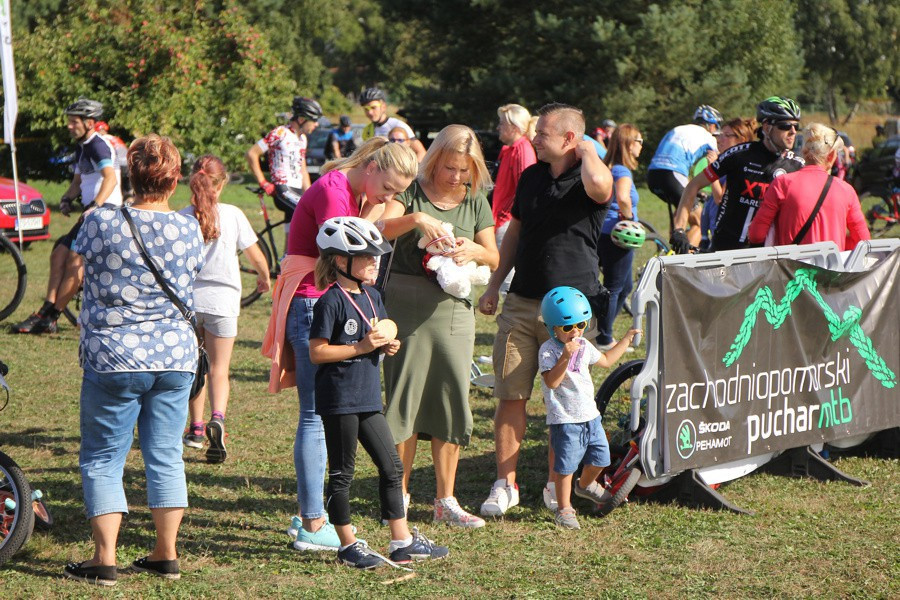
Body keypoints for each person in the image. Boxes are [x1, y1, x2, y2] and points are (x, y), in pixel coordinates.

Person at [262, 138, 419, 552]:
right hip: (313, 299)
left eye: (397, 193)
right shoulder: (335, 192)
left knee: (321, 411)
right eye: (387, 188)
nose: (389, 198)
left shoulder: (352, 189)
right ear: (371, 168)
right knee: (316, 412)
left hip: (321, 297)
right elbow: (345, 250)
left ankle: (315, 516)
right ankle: (314, 522)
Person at [63, 134, 204, 586]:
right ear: (175, 179)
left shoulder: (99, 221)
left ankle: (104, 559)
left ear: (130, 176)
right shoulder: (190, 228)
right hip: (175, 356)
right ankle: (166, 553)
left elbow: (76, 267)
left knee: (104, 457)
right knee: (166, 455)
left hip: (114, 355)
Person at [477, 103, 613, 517]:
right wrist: (495, 284)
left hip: (570, 314)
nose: (533, 139)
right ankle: (506, 484)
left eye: (542, 134)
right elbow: (516, 231)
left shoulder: (589, 176)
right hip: (522, 301)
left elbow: (602, 186)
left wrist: (587, 149)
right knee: (510, 394)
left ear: (569, 139)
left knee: (565, 404)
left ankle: (558, 484)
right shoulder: (532, 176)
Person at [309, 216, 449, 569]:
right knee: (343, 473)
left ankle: (401, 542)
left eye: (376, 256)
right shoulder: (331, 301)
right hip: (339, 400)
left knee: (392, 467)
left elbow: (376, 334)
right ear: (340, 261)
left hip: (368, 397)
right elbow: (318, 352)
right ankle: (347, 545)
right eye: (367, 257)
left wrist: (387, 345)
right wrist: (360, 347)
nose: (375, 262)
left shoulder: (372, 296)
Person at [379, 124, 499, 528]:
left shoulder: (475, 198)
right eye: (450, 168)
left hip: (454, 311)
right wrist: (416, 218)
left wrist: (474, 249)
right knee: (405, 400)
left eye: (465, 170)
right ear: (434, 160)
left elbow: (495, 258)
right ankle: (398, 496)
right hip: (405, 306)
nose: (456, 177)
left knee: (451, 399)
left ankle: (446, 500)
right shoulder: (411, 190)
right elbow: (379, 230)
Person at [179, 155, 271, 463]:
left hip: (190, 303)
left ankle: (195, 429)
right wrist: (264, 276)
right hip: (223, 303)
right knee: (219, 369)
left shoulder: (181, 218)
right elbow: (255, 254)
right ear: (221, 185)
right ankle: (217, 418)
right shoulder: (233, 215)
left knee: (196, 366)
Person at [11, 98, 122, 335]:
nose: (69, 126)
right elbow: (78, 181)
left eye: (74, 122)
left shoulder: (98, 146)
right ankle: (46, 311)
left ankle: (51, 316)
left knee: (74, 260)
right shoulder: (82, 147)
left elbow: (110, 179)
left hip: (105, 211)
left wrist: (95, 205)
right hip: (93, 211)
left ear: (89, 123)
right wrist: (66, 198)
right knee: (59, 253)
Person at [538, 286, 641, 529]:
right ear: (553, 328)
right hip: (565, 419)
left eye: (581, 324)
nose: (575, 332)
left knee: (601, 459)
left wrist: (625, 340)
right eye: (567, 327)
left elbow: (605, 360)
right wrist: (565, 357)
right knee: (565, 467)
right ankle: (564, 509)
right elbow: (551, 382)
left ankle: (584, 486)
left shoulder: (584, 345)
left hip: (590, 417)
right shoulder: (548, 351)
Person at [671, 96, 805, 253]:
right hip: (726, 250)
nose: (793, 131)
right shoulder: (739, 155)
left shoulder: (797, 165)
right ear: (767, 127)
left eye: (796, 126)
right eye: (785, 126)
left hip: (767, 253)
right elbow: (693, 185)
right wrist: (679, 229)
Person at [747, 123, 870, 250]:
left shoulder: (782, 183)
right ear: (831, 155)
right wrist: (839, 244)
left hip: (791, 262)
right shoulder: (846, 190)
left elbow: (756, 234)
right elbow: (863, 240)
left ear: (804, 152)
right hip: (832, 261)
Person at [596, 124, 643, 352]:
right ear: (629, 144)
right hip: (618, 235)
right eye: (639, 141)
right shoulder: (622, 171)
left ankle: (600, 331)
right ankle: (604, 339)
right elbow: (623, 197)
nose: (641, 146)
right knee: (614, 288)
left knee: (624, 287)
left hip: (604, 233)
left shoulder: (608, 167)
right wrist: (630, 219)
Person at [246, 96, 323, 231]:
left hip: (297, 189)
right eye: (314, 120)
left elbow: (302, 170)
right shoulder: (280, 133)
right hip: (283, 189)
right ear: (301, 119)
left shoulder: (303, 139)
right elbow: (252, 153)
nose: (316, 124)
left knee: (294, 231)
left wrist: (310, 195)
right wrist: (263, 182)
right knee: (310, 216)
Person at [646, 105, 723, 234]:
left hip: (652, 176)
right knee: (699, 222)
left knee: (681, 211)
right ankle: (681, 246)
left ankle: (673, 243)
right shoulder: (709, 138)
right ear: (711, 125)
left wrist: (695, 190)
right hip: (673, 176)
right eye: (716, 126)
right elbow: (721, 161)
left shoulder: (677, 129)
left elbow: (678, 165)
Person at [493, 104, 537, 294]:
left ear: (514, 127)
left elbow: (525, 190)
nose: (498, 127)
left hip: (510, 220)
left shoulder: (522, 150)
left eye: (502, 123)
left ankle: (510, 309)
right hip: (503, 218)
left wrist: (509, 216)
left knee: (506, 276)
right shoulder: (510, 149)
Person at [699, 117, 757, 250]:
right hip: (716, 229)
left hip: (729, 235)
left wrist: (712, 169)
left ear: (741, 140)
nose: (719, 140)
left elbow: (719, 198)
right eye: (720, 135)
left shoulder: (739, 166)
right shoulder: (723, 162)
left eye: (726, 135)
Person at [358, 87, 426, 160]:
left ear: (383, 107)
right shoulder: (367, 130)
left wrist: (414, 167)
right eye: (366, 109)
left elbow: (421, 152)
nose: (370, 112)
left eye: (373, 107)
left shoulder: (399, 125)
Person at [94, 121, 133, 201]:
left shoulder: (101, 140)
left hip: (117, 166)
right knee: (128, 191)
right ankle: (129, 201)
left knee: (116, 189)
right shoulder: (115, 138)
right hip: (128, 164)